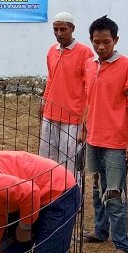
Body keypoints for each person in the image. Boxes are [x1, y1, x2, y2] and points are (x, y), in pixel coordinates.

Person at [82, 15, 128, 253]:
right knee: (96, 190)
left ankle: (122, 246)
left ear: (116, 40)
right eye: (97, 42)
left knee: (115, 194)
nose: (101, 47)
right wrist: (85, 129)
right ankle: (100, 230)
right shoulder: (89, 64)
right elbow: (88, 99)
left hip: (117, 143)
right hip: (93, 139)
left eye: (106, 42)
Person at [39, 12, 93, 175]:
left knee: (69, 161)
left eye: (63, 29)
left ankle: (70, 195)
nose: (59, 34)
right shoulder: (51, 51)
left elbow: (89, 89)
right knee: (46, 159)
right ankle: (48, 192)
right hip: (50, 113)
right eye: (55, 29)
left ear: (72, 29)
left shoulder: (85, 53)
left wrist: (85, 121)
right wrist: (44, 102)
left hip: (72, 117)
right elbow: (51, 79)